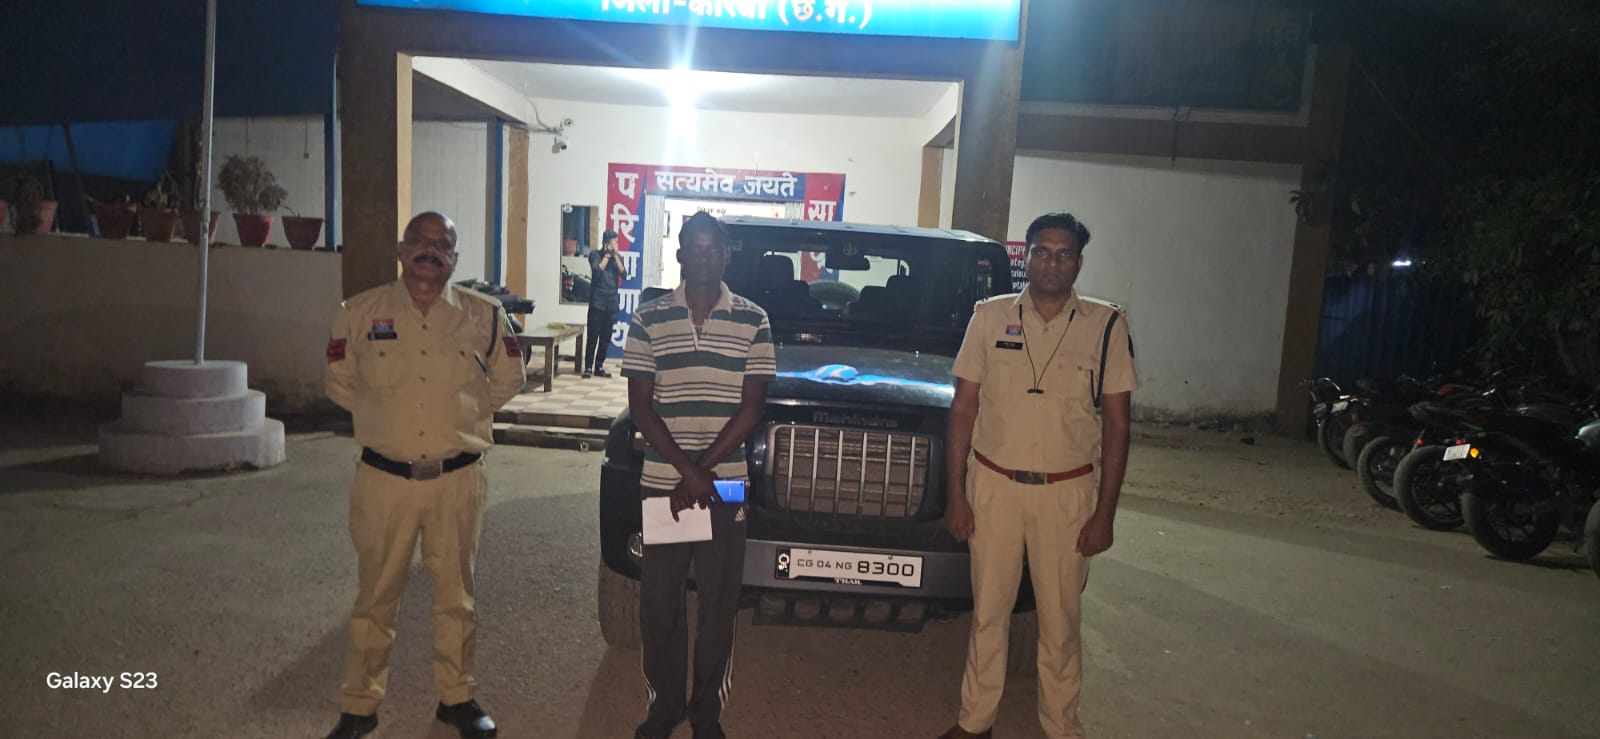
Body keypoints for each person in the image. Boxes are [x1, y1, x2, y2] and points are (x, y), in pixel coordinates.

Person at [322, 211, 526, 739]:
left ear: (454, 259)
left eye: (443, 244)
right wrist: (386, 421)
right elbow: (339, 383)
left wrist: (460, 419)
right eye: (420, 240)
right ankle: (359, 705)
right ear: (401, 248)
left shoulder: (484, 316)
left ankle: (457, 698)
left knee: (456, 596)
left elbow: (509, 379)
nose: (430, 251)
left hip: (457, 480)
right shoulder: (358, 313)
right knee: (375, 596)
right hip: (383, 481)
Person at [937, 212, 1136, 739]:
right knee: (989, 614)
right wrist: (956, 494)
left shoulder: (1106, 325)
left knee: (1060, 621)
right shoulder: (989, 317)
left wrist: (1105, 513)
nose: (1052, 262)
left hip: (1067, 493)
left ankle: (1061, 726)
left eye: (1064, 254)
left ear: (1079, 263)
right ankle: (974, 722)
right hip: (993, 486)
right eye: (1042, 251)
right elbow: (963, 408)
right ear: (1026, 257)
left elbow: (1118, 425)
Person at [622, 212, 776, 739]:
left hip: (725, 486)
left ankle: (706, 713)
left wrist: (699, 473)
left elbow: (751, 409)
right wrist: (688, 473)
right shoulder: (649, 318)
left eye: (715, 248)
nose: (705, 256)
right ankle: (664, 709)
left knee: (718, 602)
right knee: (660, 601)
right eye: (696, 247)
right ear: (681, 253)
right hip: (663, 484)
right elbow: (641, 407)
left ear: (727, 255)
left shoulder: (754, 320)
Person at [585, 229, 628, 378]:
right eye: (614, 242)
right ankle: (588, 367)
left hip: (611, 304)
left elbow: (624, 274)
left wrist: (614, 256)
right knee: (592, 337)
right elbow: (597, 271)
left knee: (605, 338)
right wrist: (607, 256)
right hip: (597, 303)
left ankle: (599, 366)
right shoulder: (595, 255)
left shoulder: (618, 258)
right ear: (606, 243)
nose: (617, 244)